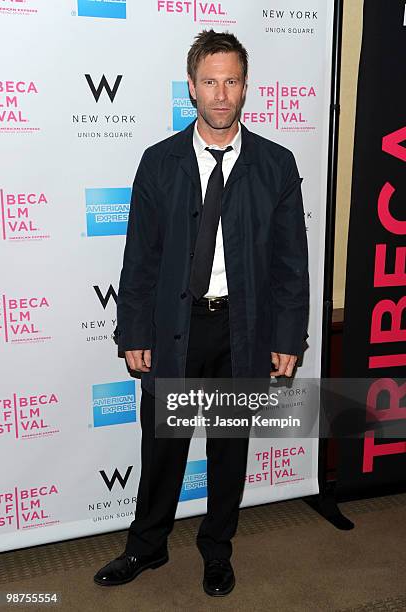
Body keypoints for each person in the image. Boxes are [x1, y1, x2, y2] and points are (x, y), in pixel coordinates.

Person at [94, 29, 309, 597]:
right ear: (191, 87)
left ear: (245, 88)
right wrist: (134, 328)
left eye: (231, 81)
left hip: (243, 329)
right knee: (162, 447)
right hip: (173, 327)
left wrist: (288, 335)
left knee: (228, 448)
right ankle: (146, 547)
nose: (220, 94)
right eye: (209, 81)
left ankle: (217, 550)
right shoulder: (159, 162)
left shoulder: (276, 166)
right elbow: (138, 256)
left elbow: (291, 264)